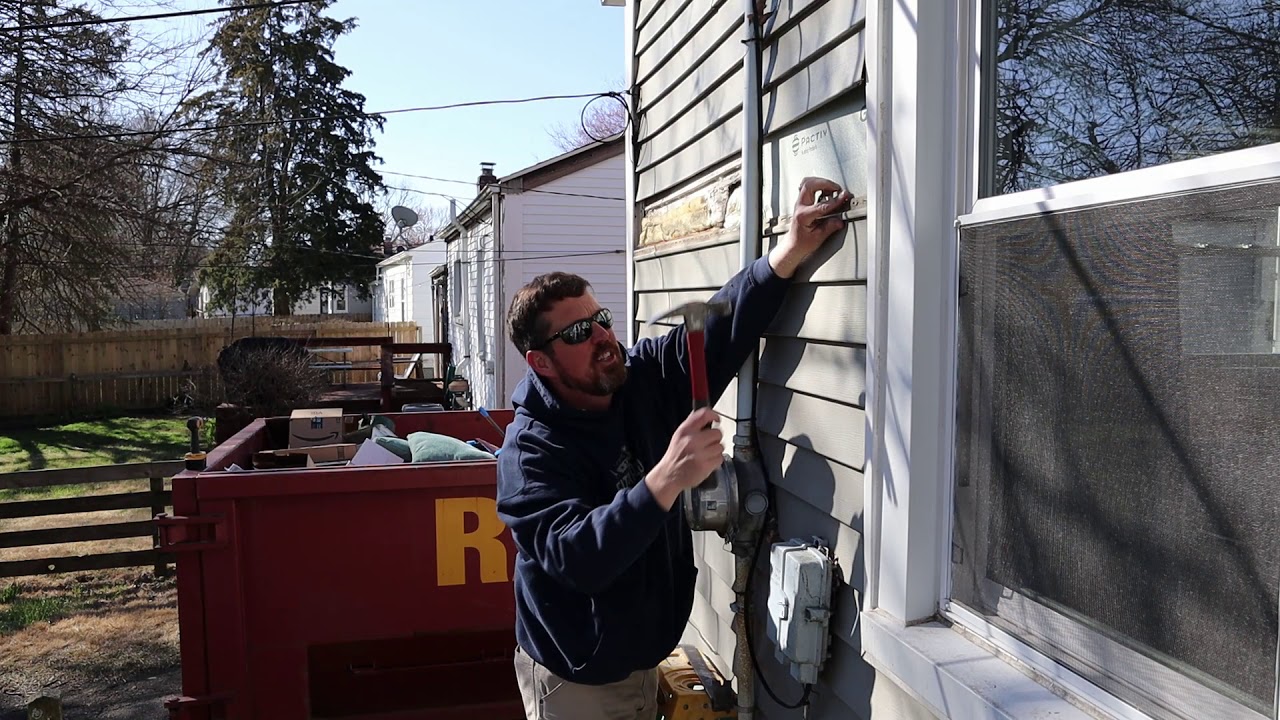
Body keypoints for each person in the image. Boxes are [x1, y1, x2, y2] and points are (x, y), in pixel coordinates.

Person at [496, 177, 851, 720]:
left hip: (643, 663)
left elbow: (718, 329)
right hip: (578, 681)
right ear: (540, 362)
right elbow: (578, 558)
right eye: (576, 334)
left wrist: (786, 253)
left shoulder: (636, 378)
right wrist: (665, 478)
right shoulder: (531, 453)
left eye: (602, 320)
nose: (602, 339)